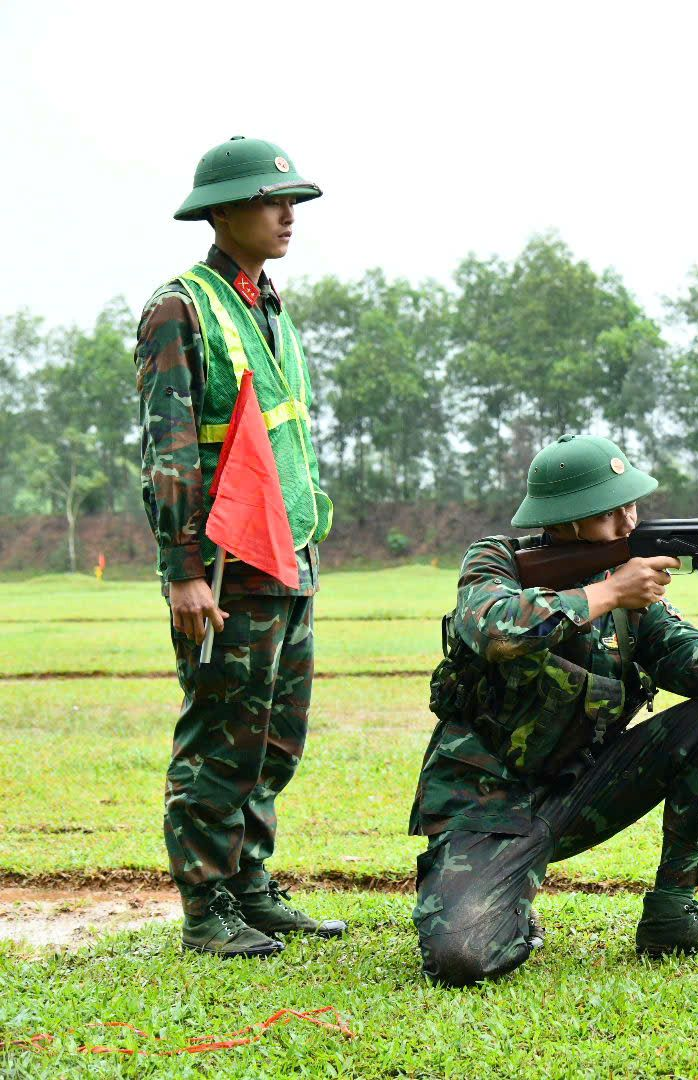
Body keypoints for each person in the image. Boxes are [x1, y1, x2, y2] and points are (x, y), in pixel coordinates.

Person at [410, 435, 698, 986]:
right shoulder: (499, 560)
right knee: (463, 960)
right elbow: (493, 628)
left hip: (577, 793)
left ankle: (672, 915)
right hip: (484, 805)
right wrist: (607, 593)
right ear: (566, 520)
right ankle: (506, 899)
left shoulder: (636, 599)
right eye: (611, 512)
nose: (630, 521)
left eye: (632, 504)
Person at [135, 138, 342, 958]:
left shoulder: (268, 302)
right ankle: (205, 907)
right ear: (220, 212)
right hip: (224, 568)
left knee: (276, 738)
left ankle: (252, 888)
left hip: (287, 559)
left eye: (292, 200)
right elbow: (170, 451)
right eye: (270, 201)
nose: (288, 214)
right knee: (221, 738)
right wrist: (182, 572)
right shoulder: (179, 308)